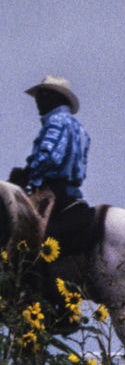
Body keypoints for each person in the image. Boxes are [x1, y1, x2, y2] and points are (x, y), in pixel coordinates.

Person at [12, 75, 93, 252]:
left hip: (50, 192)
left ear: (55, 97)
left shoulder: (57, 121)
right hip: (71, 193)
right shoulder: (81, 130)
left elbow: (49, 157)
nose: (37, 101)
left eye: (42, 95)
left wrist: (25, 174)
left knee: (18, 235)